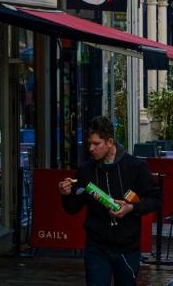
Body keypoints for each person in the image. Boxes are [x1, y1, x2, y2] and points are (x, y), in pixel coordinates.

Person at [59, 116, 161, 285]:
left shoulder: (135, 166)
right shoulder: (86, 170)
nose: (91, 149)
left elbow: (156, 200)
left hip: (127, 248)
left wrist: (131, 208)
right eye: (89, 143)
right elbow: (73, 208)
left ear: (110, 142)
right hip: (96, 247)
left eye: (96, 144)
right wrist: (66, 194)